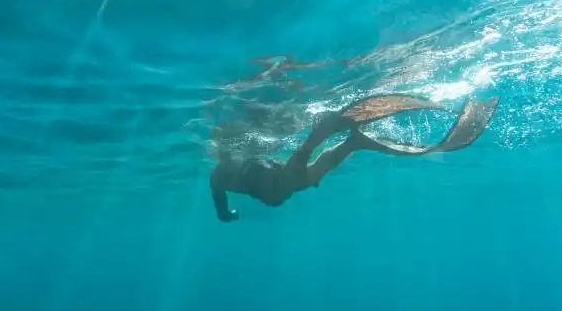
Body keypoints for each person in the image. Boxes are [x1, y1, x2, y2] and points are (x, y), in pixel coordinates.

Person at [209, 94, 499, 222]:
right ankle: (351, 142)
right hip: (266, 179)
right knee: (304, 176)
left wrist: (229, 215)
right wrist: (227, 215)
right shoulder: (226, 178)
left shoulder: (223, 176)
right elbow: (223, 209)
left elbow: (223, 208)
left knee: (300, 175)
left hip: (263, 175)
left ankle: (336, 139)